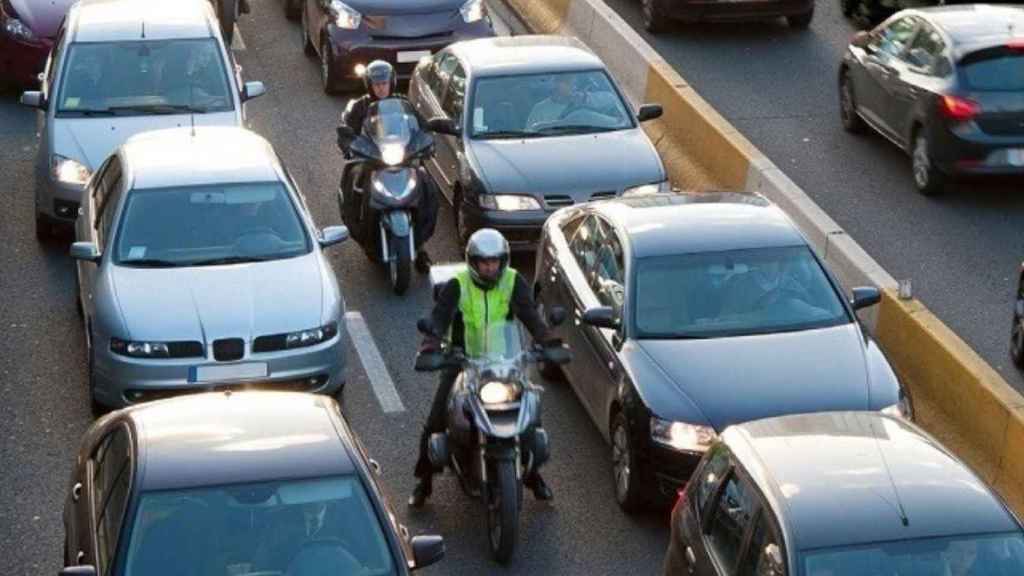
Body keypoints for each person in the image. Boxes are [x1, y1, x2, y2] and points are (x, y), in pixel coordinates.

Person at [409, 229, 558, 507]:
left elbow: (531, 317)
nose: (490, 267)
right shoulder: (458, 285)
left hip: (506, 363)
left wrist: (550, 342)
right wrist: (430, 347)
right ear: (472, 262)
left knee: (530, 415)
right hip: (463, 363)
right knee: (436, 419)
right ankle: (424, 481)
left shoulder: (513, 282)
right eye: (483, 262)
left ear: (504, 260)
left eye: (495, 261)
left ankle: (531, 473)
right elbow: (439, 319)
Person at [337, 60, 436, 273]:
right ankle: (361, 228)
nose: (381, 87)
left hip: (402, 157)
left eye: (384, 83)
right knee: (355, 181)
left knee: (426, 186)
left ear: (391, 82)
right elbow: (347, 130)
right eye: (376, 84)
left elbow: (420, 127)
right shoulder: (359, 106)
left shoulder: (403, 103)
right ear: (369, 85)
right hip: (372, 160)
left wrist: (427, 141)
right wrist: (348, 144)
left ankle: (420, 247)